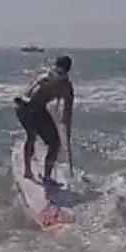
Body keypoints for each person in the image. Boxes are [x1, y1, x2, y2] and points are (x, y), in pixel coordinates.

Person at [14, 55, 75, 184]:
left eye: (61, 72)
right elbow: (30, 93)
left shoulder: (64, 85)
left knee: (51, 142)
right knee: (34, 136)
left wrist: (66, 128)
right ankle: (30, 172)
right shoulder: (46, 77)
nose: (58, 75)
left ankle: (43, 175)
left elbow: (67, 112)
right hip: (26, 107)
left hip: (31, 107)